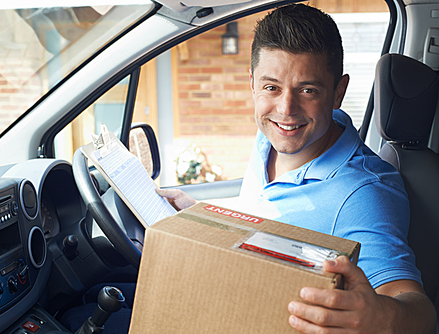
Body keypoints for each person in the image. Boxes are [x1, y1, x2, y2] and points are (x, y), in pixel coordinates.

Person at [157, 3, 437, 333]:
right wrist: (202, 215)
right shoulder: (271, 139)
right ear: (253, 84)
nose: (286, 109)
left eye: (307, 90)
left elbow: (417, 307)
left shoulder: (363, 193)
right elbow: (267, 219)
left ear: (338, 92)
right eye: (271, 87)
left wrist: (383, 316)